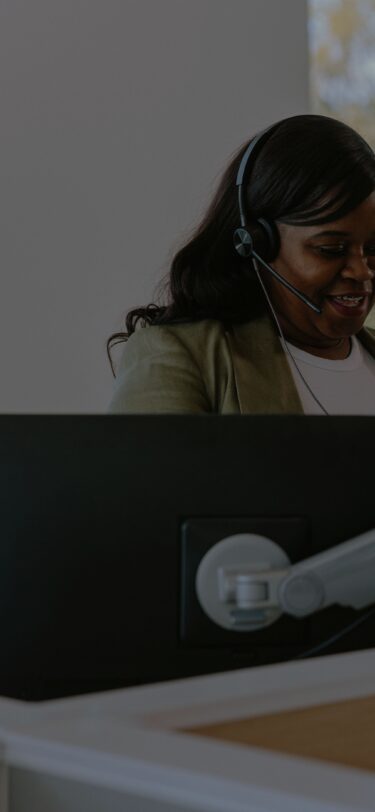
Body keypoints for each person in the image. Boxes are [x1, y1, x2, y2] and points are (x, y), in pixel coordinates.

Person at [107, 114, 375, 415]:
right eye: (331, 249)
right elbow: (150, 463)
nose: (362, 271)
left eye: (373, 249)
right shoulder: (185, 355)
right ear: (256, 243)